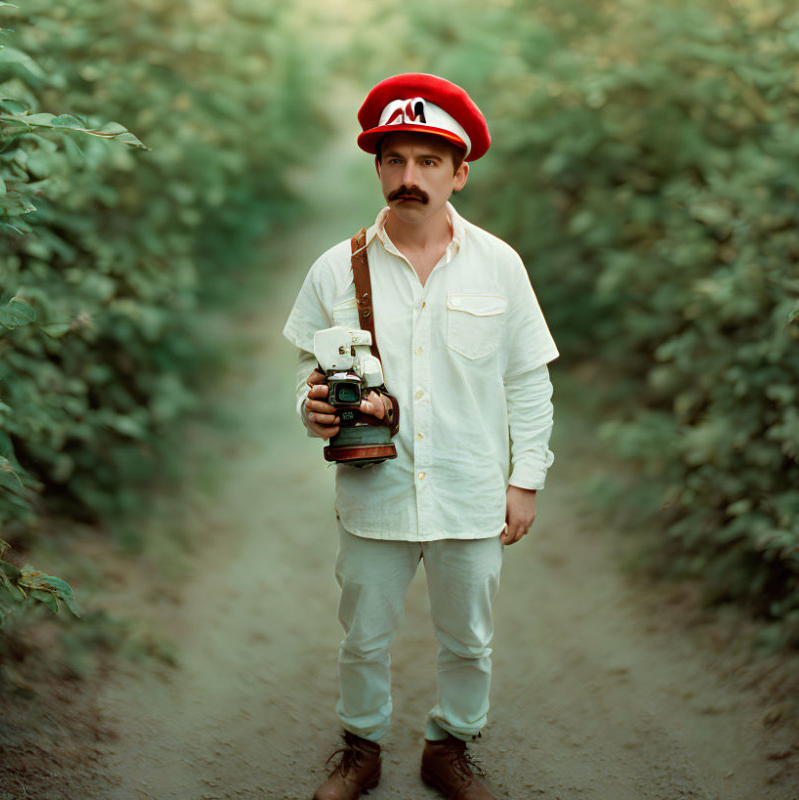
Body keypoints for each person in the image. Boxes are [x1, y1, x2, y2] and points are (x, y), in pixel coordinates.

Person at [282, 73, 558, 800]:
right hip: (375, 492)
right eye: (395, 158)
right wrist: (307, 410)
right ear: (377, 166)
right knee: (363, 636)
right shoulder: (333, 270)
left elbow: (529, 380)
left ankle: (451, 747)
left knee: (469, 638)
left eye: (429, 161)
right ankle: (360, 748)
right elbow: (309, 378)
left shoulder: (500, 265)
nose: (410, 177)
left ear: (460, 173)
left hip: (470, 488)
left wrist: (525, 478)